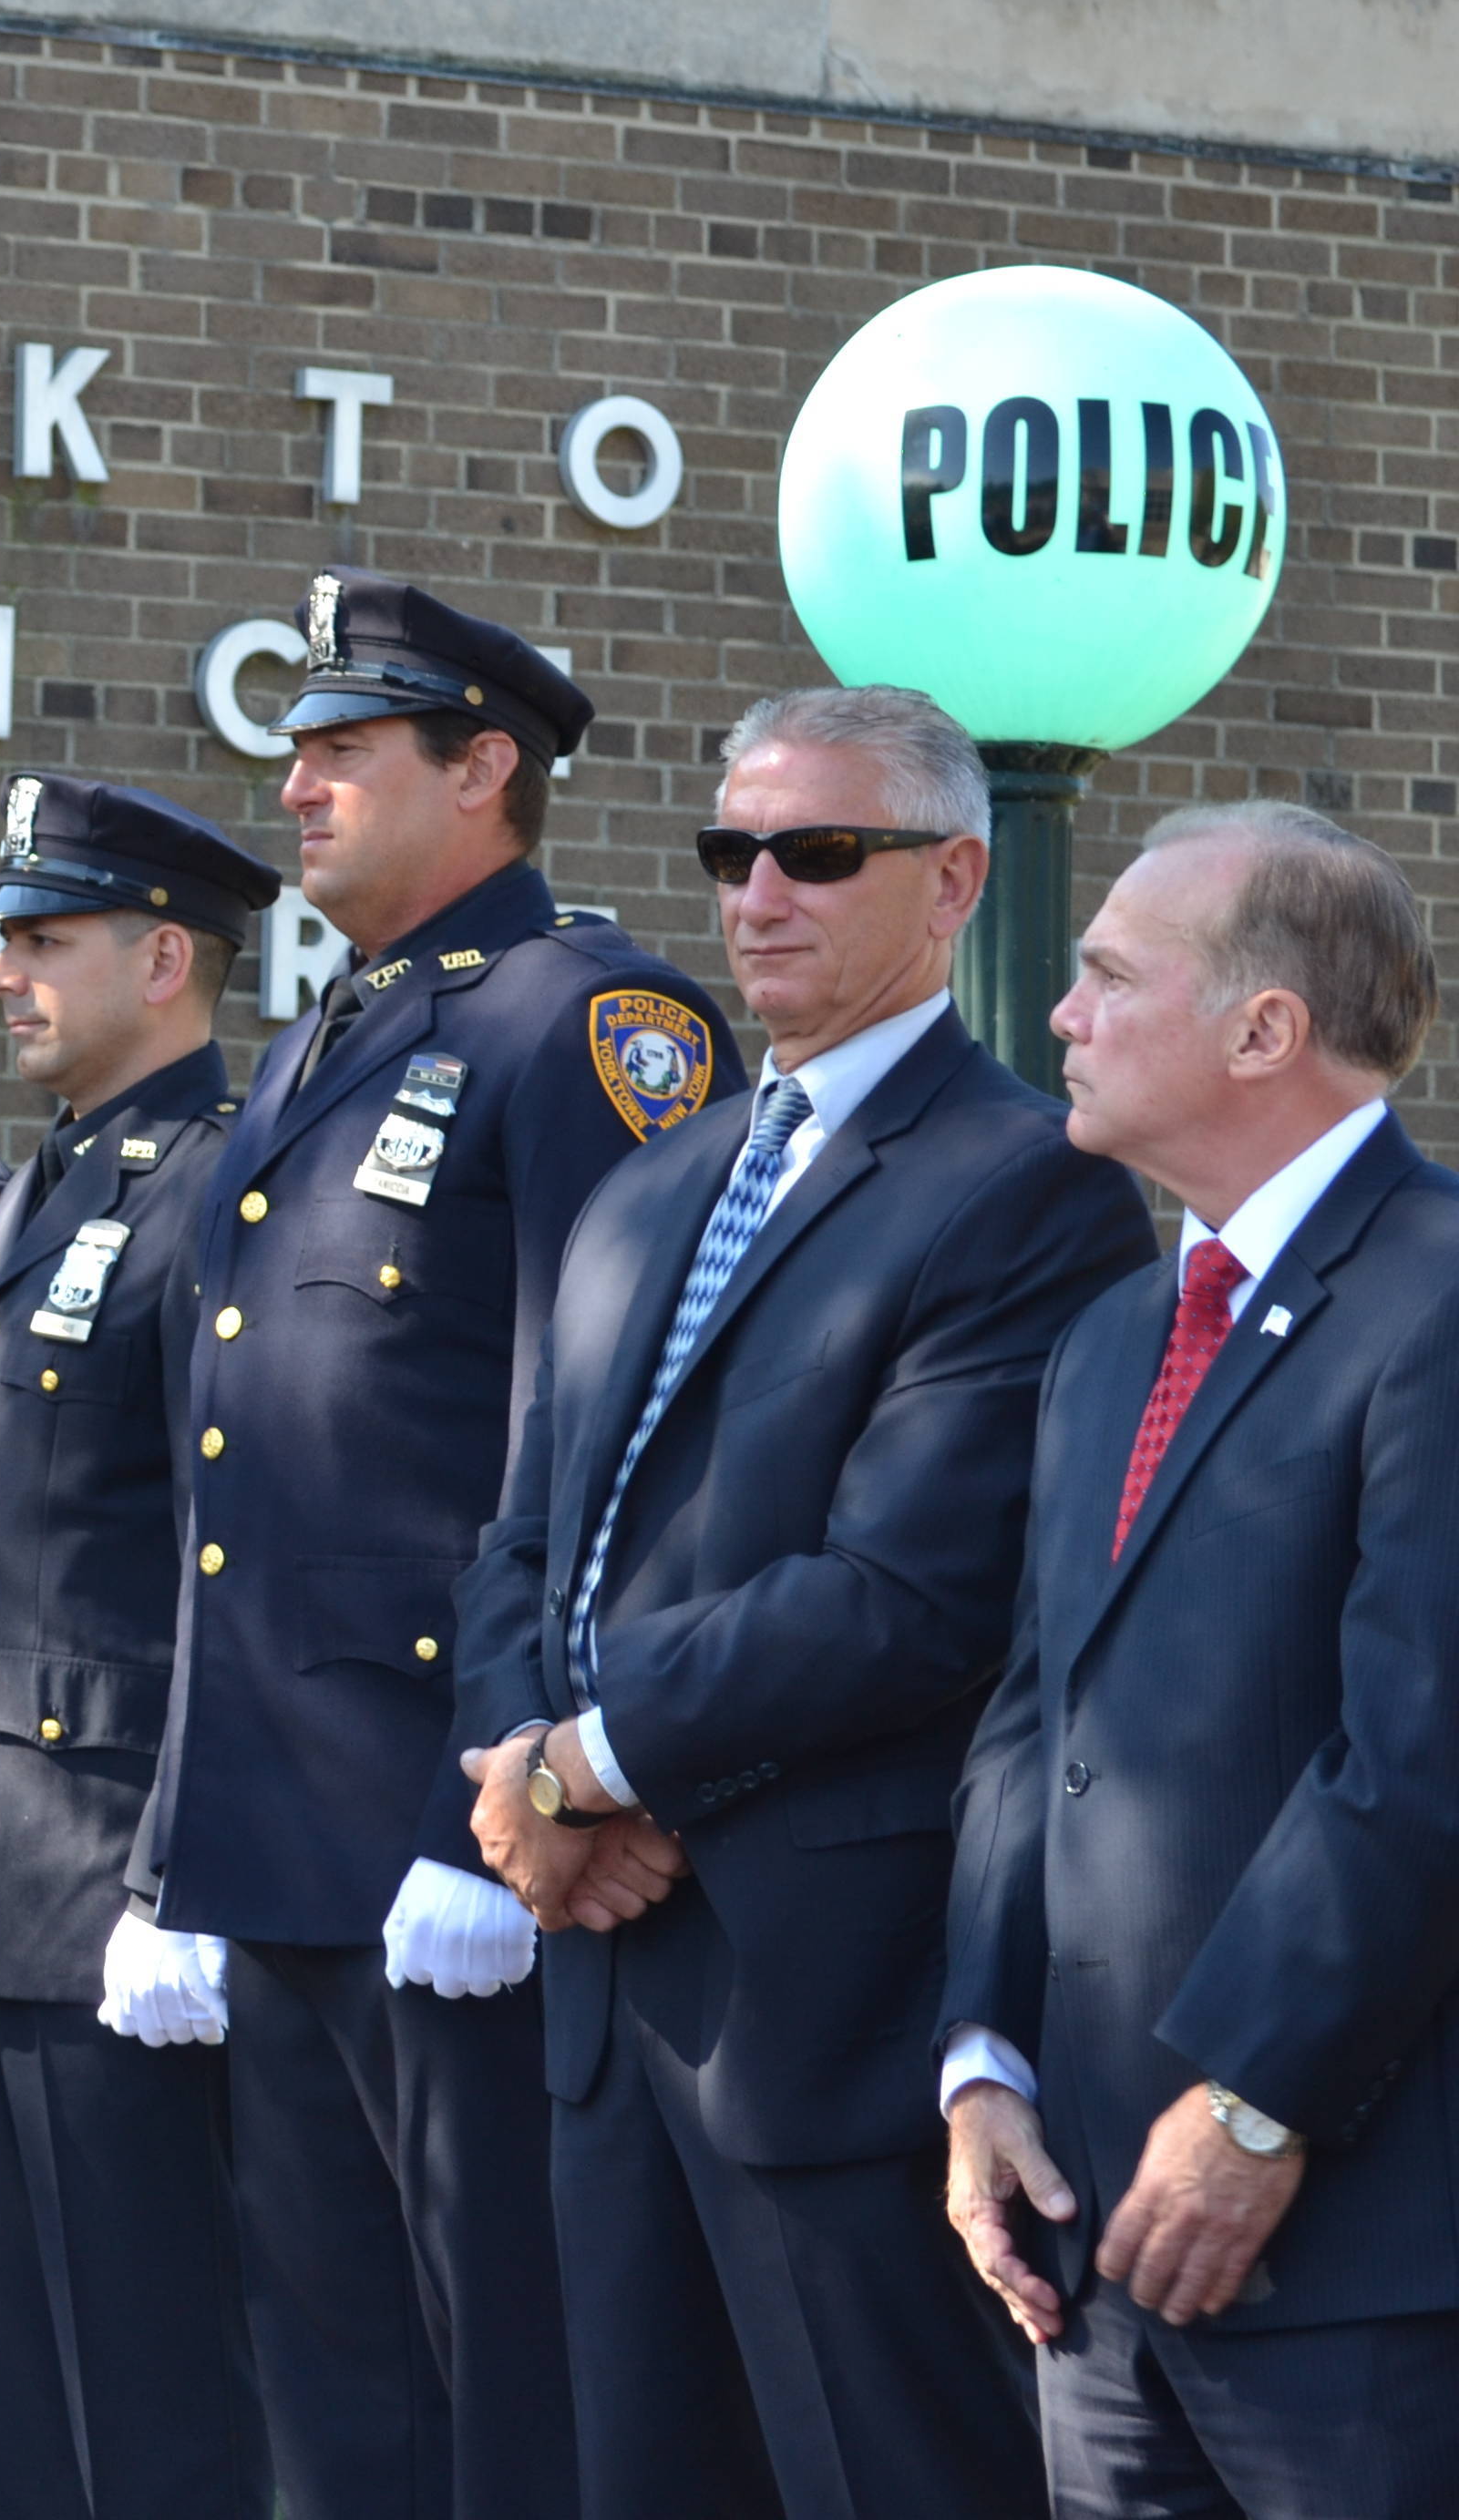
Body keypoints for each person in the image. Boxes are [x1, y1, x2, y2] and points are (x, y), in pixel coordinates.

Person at [442, 688, 1148, 2520]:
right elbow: (526, 1535)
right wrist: (527, 1774)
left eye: (820, 853)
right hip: (608, 1986)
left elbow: (909, 1593)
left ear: (953, 880)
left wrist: (585, 1769)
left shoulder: (1028, 1190)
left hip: (831, 2008)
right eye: (730, 853)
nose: (760, 895)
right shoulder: (646, 1190)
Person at [137, 569, 736, 2520]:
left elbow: (610, 1446)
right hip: (287, 1821)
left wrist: (493, 1801)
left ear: (485, 768)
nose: (297, 790)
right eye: (293, 754)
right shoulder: (332, 1040)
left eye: (342, 752)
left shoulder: (588, 1023)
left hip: (460, 1827)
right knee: (334, 2384)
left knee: (516, 2391)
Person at [943, 801, 1459, 2519]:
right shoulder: (1112, 1337)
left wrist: (1256, 2103)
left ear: (1263, 1029)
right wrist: (985, 2060)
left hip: (1356, 2254)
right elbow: (1037, 1720)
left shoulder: (1440, 1296)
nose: (1061, 1018)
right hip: (1092, 2253)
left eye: (1104, 977)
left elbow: (1423, 1755)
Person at [0, 780, 282, 2516]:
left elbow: (220, 1559)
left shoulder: (219, 1178)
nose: (2, 975)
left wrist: (183, 1871)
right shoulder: (46, 1180)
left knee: (148, 2375)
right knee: (15, 2359)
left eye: (42, 942)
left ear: (166, 957)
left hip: (103, 1862)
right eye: (2, 942)